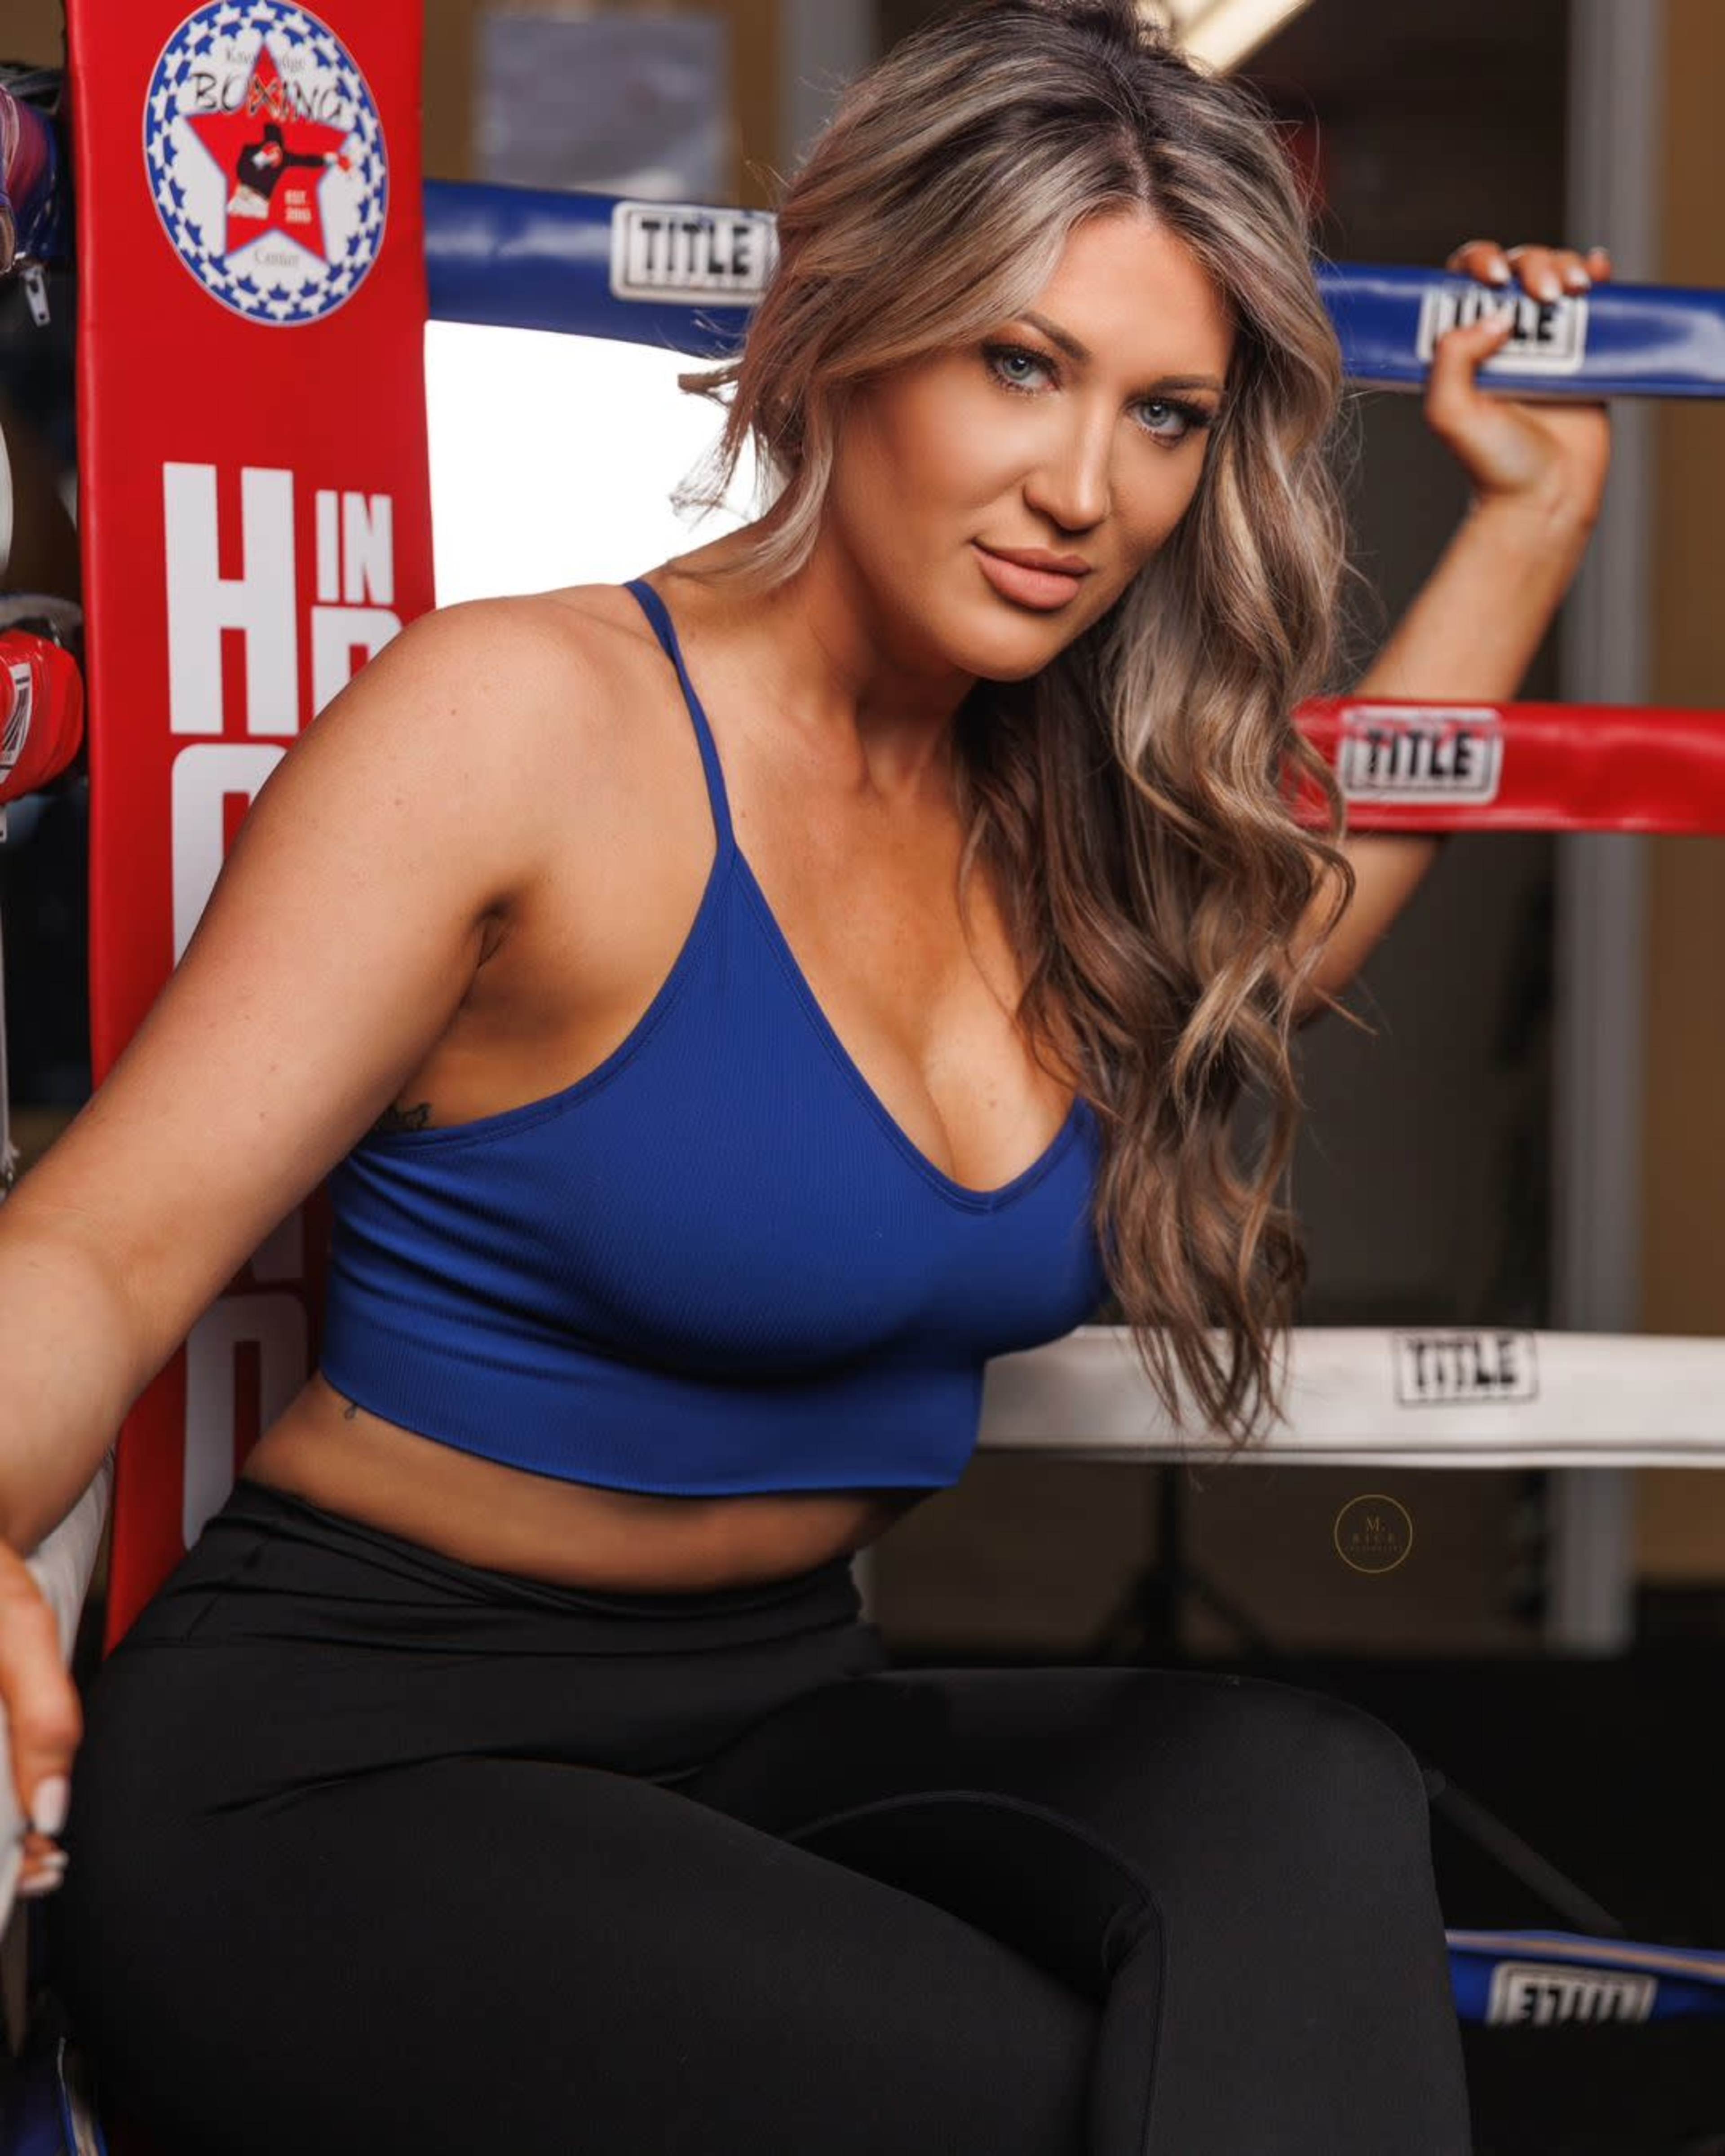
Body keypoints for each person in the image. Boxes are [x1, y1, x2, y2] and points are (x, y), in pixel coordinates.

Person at [0, 0, 1610, 2147]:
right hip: (358, 1764)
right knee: (1068, 2099)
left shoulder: (1073, 831)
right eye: (1019, 366)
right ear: (856, 324)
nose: (1082, 489)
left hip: (774, 1709)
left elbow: (1299, 934)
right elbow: (108, 1247)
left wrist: (1526, 520)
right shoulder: (525, 727)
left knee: (1310, 1798)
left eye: (1165, 416)